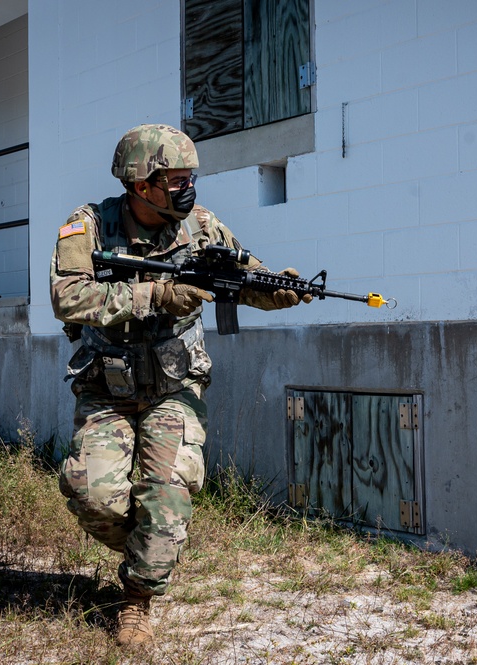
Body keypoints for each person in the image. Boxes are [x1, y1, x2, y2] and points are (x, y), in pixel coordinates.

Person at [50, 123, 309, 647]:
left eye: (191, 178)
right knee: (92, 494)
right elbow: (68, 298)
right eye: (174, 180)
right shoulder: (90, 227)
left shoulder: (203, 228)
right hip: (107, 387)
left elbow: (245, 275)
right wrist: (155, 296)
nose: (187, 189)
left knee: (167, 497)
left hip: (175, 385)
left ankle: (137, 599)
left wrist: (277, 290)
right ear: (140, 185)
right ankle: (150, 544)